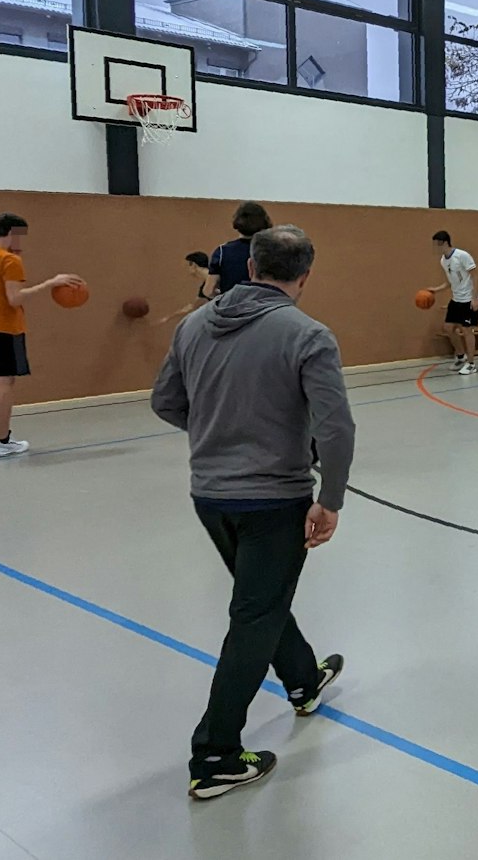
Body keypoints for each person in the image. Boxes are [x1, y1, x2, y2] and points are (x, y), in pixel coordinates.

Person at [150, 225, 355, 802]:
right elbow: (335, 427)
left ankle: (302, 679)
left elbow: (165, 401)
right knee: (254, 614)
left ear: (253, 264)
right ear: (304, 275)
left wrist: (219, 434)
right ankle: (215, 754)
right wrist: (331, 499)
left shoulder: (195, 323)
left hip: (210, 496)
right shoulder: (307, 333)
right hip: (273, 499)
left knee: (259, 598)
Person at [0, 213, 83, 458]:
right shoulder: (8, 260)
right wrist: (51, 282)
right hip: (3, 326)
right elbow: (14, 298)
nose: (22, 242)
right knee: (4, 383)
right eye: (20, 236)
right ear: (12, 233)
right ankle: (2, 441)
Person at [424, 230, 478, 375]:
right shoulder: (444, 260)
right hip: (456, 299)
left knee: (467, 330)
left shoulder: (462, 256)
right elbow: (451, 281)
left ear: (444, 243)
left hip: (469, 298)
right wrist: (435, 289)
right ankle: (461, 356)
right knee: (448, 328)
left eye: (437, 244)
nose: (435, 248)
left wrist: (475, 298)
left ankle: (471, 363)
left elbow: (475, 277)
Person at [207, 201, 272, 298]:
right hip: (264, 308)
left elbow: (208, 291)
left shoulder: (222, 252)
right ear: (264, 222)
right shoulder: (273, 251)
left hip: (230, 308)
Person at [157, 251, 215, 326]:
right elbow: (193, 306)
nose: (188, 269)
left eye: (188, 265)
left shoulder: (214, 280)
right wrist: (169, 317)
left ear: (193, 265)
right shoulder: (206, 286)